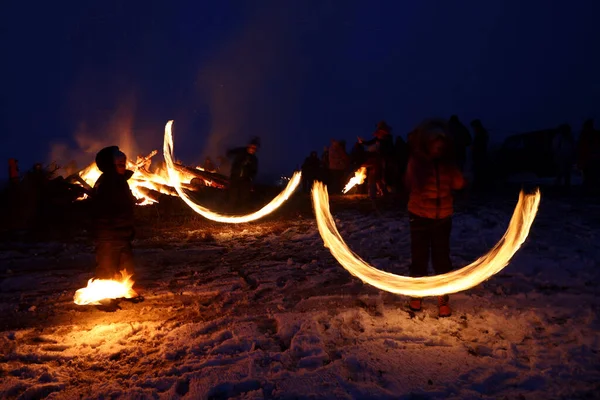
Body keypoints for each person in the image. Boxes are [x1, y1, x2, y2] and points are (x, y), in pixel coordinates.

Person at [404, 119, 466, 317]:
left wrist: (457, 173)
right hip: (419, 216)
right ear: (427, 144)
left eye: (442, 146)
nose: (438, 149)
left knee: (441, 259)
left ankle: (442, 297)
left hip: (442, 217)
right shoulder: (418, 162)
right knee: (419, 258)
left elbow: (458, 184)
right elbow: (409, 182)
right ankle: (417, 294)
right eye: (435, 145)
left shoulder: (448, 163)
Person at [92, 146, 139, 282]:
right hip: (109, 236)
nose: (123, 166)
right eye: (119, 164)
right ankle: (105, 298)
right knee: (107, 270)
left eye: (123, 164)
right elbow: (103, 211)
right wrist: (108, 232)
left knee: (125, 270)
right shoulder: (106, 183)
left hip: (123, 234)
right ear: (109, 165)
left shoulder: (120, 181)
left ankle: (122, 292)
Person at [227, 138, 259, 208]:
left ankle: (242, 212)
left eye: (255, 148)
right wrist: (229, 153)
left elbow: (254, 170)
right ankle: (229, 212)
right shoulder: (241, 151)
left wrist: (250, 178)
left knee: (244, 198)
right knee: (233, 197)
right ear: (248, 146)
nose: (253, 149)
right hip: (235, 178)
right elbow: (231, 153)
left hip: (245, 181)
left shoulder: (254, 159)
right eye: (252, 147)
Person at [552, 124, 575, 192]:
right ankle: (557, 188)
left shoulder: (570, 137)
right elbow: (555, 148)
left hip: (567, 158)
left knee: (567, 174)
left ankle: (566, 188)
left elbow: (572, 147)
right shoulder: (559, 138)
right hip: (561, 158)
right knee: (560, 174)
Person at [470, 119, 489, 190]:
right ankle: (480, 186)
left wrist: (474, 147)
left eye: (474, 127)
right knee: (478, 171)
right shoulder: (480, 134)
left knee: (480, 171)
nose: (474, 129)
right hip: (478, 156)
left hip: (480, 156)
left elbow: (481, 145)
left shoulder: (481, 134)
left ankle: (481, 187)